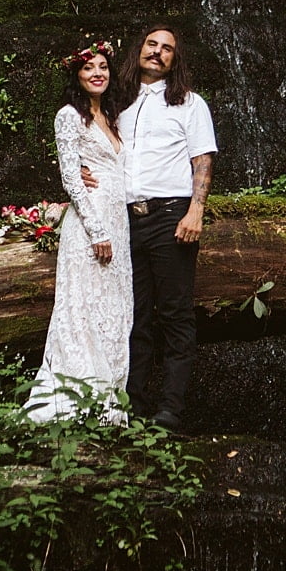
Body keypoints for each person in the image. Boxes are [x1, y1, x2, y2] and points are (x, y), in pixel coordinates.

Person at [112, 25, 216, 430]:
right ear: (139, 49)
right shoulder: (117, 100)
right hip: (124, 221)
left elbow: (203, 158)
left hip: (171, 216)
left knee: (174, 314)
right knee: (134, 317)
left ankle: (170, 411)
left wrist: (196, 211)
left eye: (167, 49)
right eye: (152, 45)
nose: (158, 53)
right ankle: (132, 407)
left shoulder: (189, 104)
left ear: (176, 59)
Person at [25, 39, 131, 422]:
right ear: (77, 75)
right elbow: (71, 175)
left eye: (103, 66)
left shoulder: (113, 116)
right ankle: (77, 400)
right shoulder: (69, 115)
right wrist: (97, 230)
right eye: (89, 68)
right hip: (92, 228)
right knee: (83, 309)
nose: (97, 73)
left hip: (119, 226)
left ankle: (109, 403)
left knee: (114, 309)